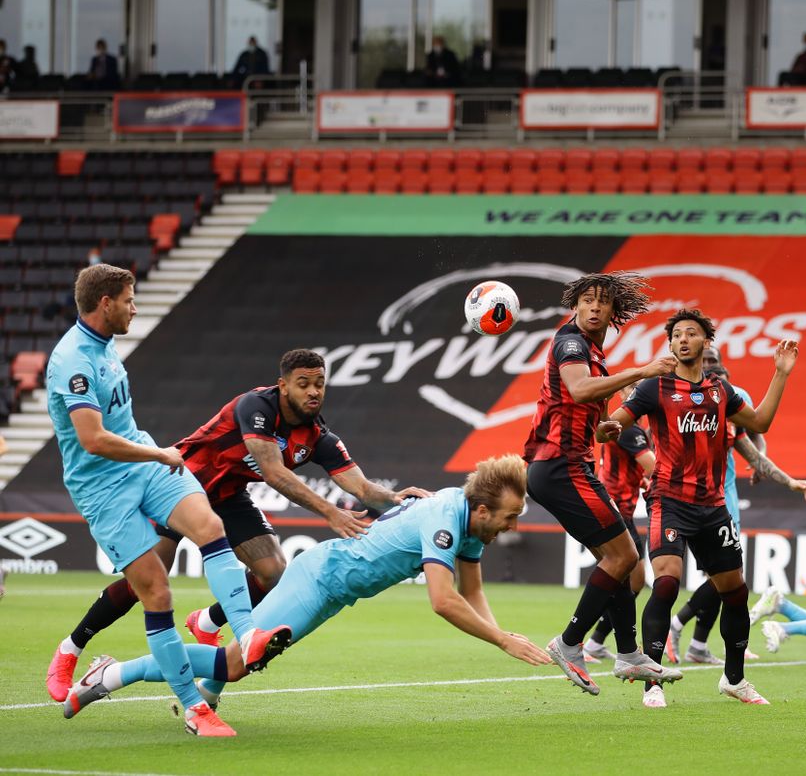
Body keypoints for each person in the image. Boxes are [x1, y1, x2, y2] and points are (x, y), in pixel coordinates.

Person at [46, 348, 431, 701]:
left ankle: (208, 620)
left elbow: (362, 488)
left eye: (319, 384)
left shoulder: (318, 437)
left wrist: (399, 500)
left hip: (230, 497)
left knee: (273, 571)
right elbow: (274, 473)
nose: (314, 392)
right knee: (145, 585)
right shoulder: (257, 407)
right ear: (283, 386)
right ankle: (70, 649)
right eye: (304, 384)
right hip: (181, 485)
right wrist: (330, 512)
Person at [61, 455, 553, 731]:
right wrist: (502, 641)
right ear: (484, 510)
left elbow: (472, 589)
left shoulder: (469, 522)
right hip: (317, 579)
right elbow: (444, 601)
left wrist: (500, 631)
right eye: (510, 517)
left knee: (237, 664)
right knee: (236, 662)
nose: (512, 527)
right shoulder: (447, 521)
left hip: (333, 591)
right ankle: (112, 674)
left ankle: (203, 691)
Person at [45, 264, 286, 736]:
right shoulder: (71, 360)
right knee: (155, 591)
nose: (136, 307)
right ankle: (195, 709)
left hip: (146, 465)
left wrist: (152, 455)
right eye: (130, 300)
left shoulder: (105, 345)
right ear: (105, 303)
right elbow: (92, 439)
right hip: (103, 488)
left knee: (211, 528)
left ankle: (246, 632)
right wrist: (157, 451)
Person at [602, 308, 799, 707]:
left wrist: (781, 373)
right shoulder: (654, 388)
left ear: (705, 342)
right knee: (668, 582)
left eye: (691, 334)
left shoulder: (720, 392)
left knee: (736, 592)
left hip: (712, 506)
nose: (683, 340)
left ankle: (734, 679)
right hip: (669, 501)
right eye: (676, 335)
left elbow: (760, 423)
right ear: (670, 344)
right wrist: (608, 427)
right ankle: (652, 683)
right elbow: (617, 422)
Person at [525, 271, 679, 695]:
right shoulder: (571, 342)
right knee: (623, 556)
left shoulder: (593, 351)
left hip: (569, 463)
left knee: (618, 562)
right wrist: (642, 371)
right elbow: (577, 390)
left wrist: (606, 429)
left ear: (614, 312)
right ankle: (570, 643)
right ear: (575, 305)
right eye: (587, 300)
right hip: (559, 466)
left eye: (602, 302)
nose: (594, 307)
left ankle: (628, 654)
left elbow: (586, 416)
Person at [666, 356, 806, 666]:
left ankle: (698, 644)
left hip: (725, 495)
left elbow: (755, 434)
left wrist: (776, 473)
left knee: (723, 577)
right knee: (726, 578)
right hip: (697, 500)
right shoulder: (684, 403)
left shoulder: (733, 399)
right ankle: (677, 625)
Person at [583, 382, 654, 663]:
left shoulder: (625, 428)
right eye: (630, 389)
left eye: (639, 389)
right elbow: (654, 465)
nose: (634, 393)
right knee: (626, 576)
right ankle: (586, 640)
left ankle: (596, 641)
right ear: (621, 395)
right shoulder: (630, 430)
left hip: (619, 507)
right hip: (615, 509)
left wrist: (643, 479)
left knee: (630, 578)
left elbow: (636, 468)